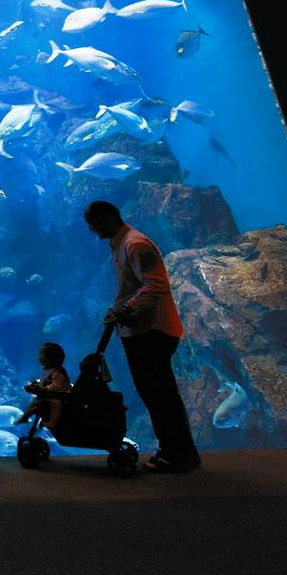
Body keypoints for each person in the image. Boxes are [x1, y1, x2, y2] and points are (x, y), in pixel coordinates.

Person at [83, 200, 202, 473]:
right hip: (139, 330)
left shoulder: (135, 245)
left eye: (92, 222)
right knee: (156, 395)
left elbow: (157, 284)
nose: (90, 229)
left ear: (106, 218)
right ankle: (174, 450)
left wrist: (125, 309)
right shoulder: (121, 245)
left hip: (152, 331)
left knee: (161, 395)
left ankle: (179, 455)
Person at [16, 342, 71, 431]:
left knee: (55, 403)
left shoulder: (58, 372)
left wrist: (44, 388)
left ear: (50, 358)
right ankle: (25, 417)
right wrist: (35, 383)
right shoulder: (49, 370)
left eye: (41, 354)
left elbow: (56, 386)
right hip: (49, 395)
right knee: (34, 400)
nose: (39, 356)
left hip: (61, 396)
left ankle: (52, 423)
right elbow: (45, 380)